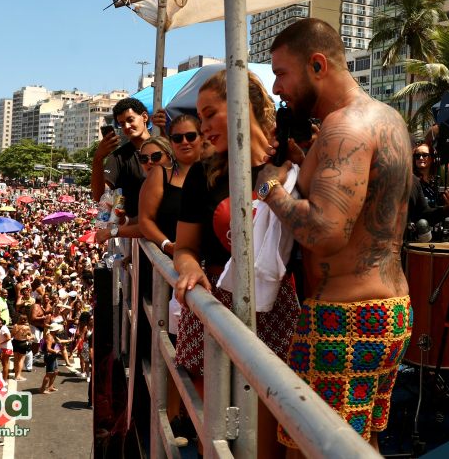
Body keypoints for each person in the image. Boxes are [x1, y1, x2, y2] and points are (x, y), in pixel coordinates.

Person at [255, 18, 413, 452]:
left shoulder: (345, 128)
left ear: (318, 65)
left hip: (344, 319)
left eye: (282, 72)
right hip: (390, 313)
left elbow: (325, 230)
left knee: (309, 445)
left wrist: (270, 188)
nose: (276, 87)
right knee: (361, 443)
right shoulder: (388, 119)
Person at [173, 69, 300, 457]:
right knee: (216, 437)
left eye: (211, 114)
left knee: (265, 439)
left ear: (244, 106)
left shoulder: (294, 163)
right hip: (216, 312)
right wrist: (190, 266)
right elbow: (183, 248)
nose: (202, 126)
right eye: (200, 116)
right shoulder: (203, 174)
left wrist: (277, 179)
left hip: (276, 314)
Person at [139, 117, 204, 257]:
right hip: (171, 264)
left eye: (191, 136)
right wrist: (166, 245)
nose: (185, 142)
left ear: (202, 137)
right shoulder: (160, 174)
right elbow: (145, 220)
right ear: (171, 143)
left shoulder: (216, 172)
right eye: (177, 138)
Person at [91, 97, 151, 241]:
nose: (127, 127)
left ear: (144, 117)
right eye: (121, 124)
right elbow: (100, 197)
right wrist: (98, 159)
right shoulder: (118, 157)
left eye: (130, 120)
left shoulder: (165, 147)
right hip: (135, 237)